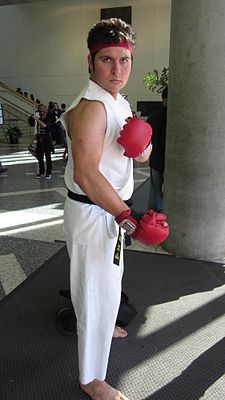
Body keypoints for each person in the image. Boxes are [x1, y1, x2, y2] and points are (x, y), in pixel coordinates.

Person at [60, 18, 169, 400]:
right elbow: (88, 174)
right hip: (95, 213)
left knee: (109, 284)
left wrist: (144, 149)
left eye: (124, 60)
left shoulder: (117, 101)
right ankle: (92, 379)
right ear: (91, 62)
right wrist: (128, 217)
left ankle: (105, 326)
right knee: (94, 295)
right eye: (107, 60)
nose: (117, 69)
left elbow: (131, 155)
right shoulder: (92, 107)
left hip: (109, 210)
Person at [147, 87, 168, 212]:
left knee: (154, 190)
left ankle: (152, 217)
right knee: (170, 191)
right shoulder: (177, 119)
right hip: (169, 162)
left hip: (155, 160)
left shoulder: (152, 118)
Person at [31, 104, 54, 180]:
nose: (41, 112)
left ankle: (49, 173)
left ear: (45, 111)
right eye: (40, 111)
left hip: (47, 141)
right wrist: (36, 135)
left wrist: (37, 119)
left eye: (42, 111)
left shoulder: (48, 119)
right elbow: (39, 129)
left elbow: (45, 126)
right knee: (40, 157)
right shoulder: (38, 120)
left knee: (48, 157)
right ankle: (41, 172)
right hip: (40, 141)